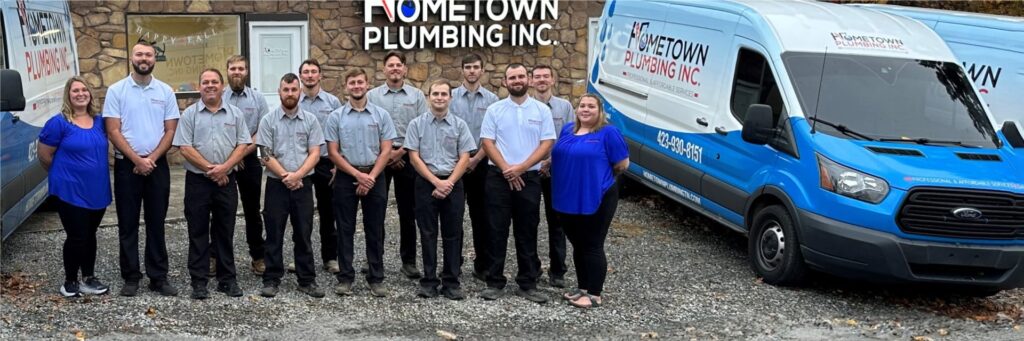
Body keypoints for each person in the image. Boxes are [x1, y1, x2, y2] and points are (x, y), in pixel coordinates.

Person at [104, 39, 180, 297]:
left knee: (156, 222)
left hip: (157, 166)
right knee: (127, 223)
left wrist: (152, 159)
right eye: (139, 54)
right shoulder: (116, 91)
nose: (144, 59)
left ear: (154, 59)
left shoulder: (165, 92)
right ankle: (131, 276)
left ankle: (158, 277)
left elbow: (170, 130)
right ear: (131, 58)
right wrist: (137, 160)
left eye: (148, 55)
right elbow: (112, 130)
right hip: (128, 167)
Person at [478, 63, 556, 304]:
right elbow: (487, 142)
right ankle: (494, 281)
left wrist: (521, 168)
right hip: (498, 178)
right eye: (512, 77)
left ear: (529, 79)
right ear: (505, 82)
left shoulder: (542, 110)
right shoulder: (495, 109)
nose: (517, 80)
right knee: (496, 230)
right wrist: (507, 169)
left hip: (529, 177)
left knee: (527, 230)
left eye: (521, 76)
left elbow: (547, 143)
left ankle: (528, 283)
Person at [172, 68, 251, 299]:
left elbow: (243, 145)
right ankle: (199, 281)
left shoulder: (235, 114)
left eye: (214, 82)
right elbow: (184, 147)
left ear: (222, 86)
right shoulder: (189, 115)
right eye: (205, 82)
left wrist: (225, 168)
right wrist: (212, 169)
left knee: (224, 231)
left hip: (227, 180)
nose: (210, 85)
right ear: (200, 87)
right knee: (197, 231)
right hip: (198, 182)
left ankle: (227, 280)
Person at [551, 94, 629, 309]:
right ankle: (583, 288)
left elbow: (622, 164)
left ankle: (595, 293)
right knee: (578, 244)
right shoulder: (567, 129)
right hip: (568, 196)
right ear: (577, 109)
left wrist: (597, 177)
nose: (586, 109)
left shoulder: (608, 132)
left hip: (597, 196)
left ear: (599, 110)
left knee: (592, 244)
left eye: (591, 106)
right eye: (582, 106)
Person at [325, 68, 397, 298]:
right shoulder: (336, 117)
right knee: (344, 229)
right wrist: (358, 176)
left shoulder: (381, 115)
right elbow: (333, 152)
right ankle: (345, 278)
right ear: (346, 87)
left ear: (367, 84)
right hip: (347, 176)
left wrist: (371, 177)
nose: (356, 86)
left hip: (375, 175)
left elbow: (387, 150)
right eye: (352, 83)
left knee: (374, 229)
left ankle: (376, 278)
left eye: (360, 82)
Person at [37, 77, 112, 298]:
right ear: (68, 96)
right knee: (77, 235)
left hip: (97, 189)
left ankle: (88, 278)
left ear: (90, 94)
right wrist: (65, 174)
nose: (80, 94)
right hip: (70, 191)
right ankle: (70, 281)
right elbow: (44, 155)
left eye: (84, 90)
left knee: (90, 234)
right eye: (75, 90)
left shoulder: (100, 122)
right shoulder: (59, 123)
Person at [406, 80, 476, 300]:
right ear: (428, 97)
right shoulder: (416, 124)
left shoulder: (459, 125)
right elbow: (414, 157)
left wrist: (449, 183)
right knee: (427, 233)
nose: (439, 97)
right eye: (435, 93)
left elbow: (465, 156)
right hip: (426, 183)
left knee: (453, 234)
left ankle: (451, 282)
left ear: (450, 98)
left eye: (443, 94)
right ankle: (428, 281)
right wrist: (436, 182)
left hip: (453, 184)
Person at [257, 73, 326, 298]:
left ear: (299, 92)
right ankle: (272, 278)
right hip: (277, 184)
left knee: (304, 233)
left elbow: (315, 153)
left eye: (294, 90)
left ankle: (306, 280)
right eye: (285, 90)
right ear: (279, 92)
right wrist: (287, 175)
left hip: (303, 185)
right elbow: (264, 153)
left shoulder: (310, 121)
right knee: (274, 233)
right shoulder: (268, 120)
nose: (290, 94)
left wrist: (298, 175)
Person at [367, 50, 428, 279]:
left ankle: (409, 261)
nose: (394, 69)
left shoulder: (417, 96)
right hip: (379, 160)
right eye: (390, 65)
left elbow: (422, 128)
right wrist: (386, 155)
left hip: (408, 157)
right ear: (384, 69)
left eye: (398, 65)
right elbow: (368, 126)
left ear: (405, 69)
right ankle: (375, 259)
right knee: (376, 212)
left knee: (408, 212)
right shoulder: (372, 96)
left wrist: (400, 153)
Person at [449, 53, 500, 282]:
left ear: (482, 70)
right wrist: (462, 160)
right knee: (454, 215)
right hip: (455, 164)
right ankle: (453, 264)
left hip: (482, 163)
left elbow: (494, 135)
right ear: (462, 70)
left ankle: (483, 265)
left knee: (482, 217)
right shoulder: (450, 97)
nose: (471, 71)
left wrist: (476, 158)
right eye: (467, 67)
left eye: (475, 67)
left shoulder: (492, 100)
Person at [219, 55, 270, 276]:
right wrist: (231, 157)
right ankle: (215, 256)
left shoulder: (258, 99)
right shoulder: (219, 96)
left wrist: (241, 152)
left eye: (241, 68)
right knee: (221, 210)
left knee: (252, 210)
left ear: (246, 71)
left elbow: (263, 131)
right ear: (227, 71)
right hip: (223, 160)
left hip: (249, 160)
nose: (236, 72)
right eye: (232, 68)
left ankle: (258, 256)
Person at [298, 58, 343, 274]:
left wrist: (338, 164)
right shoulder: (293, 100)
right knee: (301, 213)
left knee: (328, 212)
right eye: (305, 72)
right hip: (301, 165)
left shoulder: (333, 103)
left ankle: (330, 257)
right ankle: (302, 257)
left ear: (320, 75)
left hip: (327, 163)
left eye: (313, 71)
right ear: (300, 76)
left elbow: (342, 133)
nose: (309, 75)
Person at [530, 65, 574, 288]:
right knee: (529, 220)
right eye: (537, 77)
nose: (541, 80)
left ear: (553, 80)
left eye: (545, 76)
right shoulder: (525, 107)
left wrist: (550, 161)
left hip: (557, 170)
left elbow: (571, 138)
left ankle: (558, 270)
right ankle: (532, 267)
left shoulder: (565, 107)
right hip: (531, 170)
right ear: (531, 81)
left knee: (557, 222)